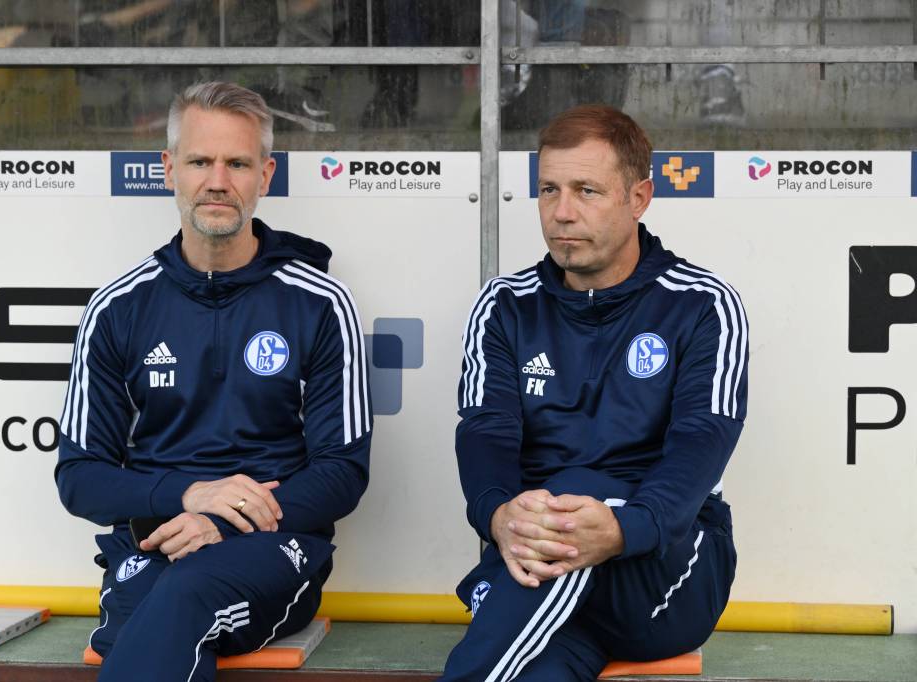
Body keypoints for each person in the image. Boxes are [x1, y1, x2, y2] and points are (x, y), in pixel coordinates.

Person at [55, 81, 371, 682]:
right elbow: (79, 478)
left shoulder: (320, 304)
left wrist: (222, 520)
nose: (218, 180)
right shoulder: (118, 308)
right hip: (155, 542)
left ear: (266, 174)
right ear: (170, 168)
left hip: (274, 548)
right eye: (200, 161)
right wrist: (187, 496)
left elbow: (342, 473)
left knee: (181, 599)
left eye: (238, 163)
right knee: (155, 606)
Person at [441, 105, 747, 681]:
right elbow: (485, 433)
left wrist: (621, 528)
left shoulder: (702, 305)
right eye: (548, 190)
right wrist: (498, 514)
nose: (561, 213)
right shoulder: (505, 306)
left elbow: (701, 441)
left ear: (639, 198)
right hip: (545, 577)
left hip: (665, 571)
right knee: (542, 669)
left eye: (586, 191)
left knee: (575, 497)